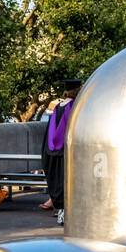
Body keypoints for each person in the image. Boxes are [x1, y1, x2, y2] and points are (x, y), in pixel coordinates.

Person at [40, 79, 81, 224]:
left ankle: (61, 211)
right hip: (65, 150)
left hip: (51, 150)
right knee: (67, 181)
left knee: (58, 181)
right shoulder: (74, 106)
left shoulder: (58, 106)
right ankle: (65, 213)